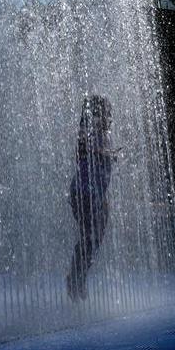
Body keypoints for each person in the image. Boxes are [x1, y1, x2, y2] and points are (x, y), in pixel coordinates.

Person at [65, 95, 118, 301]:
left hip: (92, 194)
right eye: (107, 114)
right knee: (90, 238)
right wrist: (103, 152)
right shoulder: (88, 134)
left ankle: (77, 279)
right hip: (85, 194)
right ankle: (75, 280)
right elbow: (84, 150)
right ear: (98, 116)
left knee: (92, 239)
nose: (110, 119)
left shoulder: (100, 135)